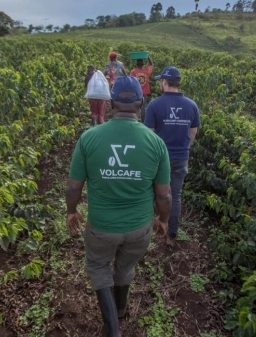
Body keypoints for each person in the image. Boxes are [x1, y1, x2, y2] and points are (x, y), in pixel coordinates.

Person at [66, 76, 172, 336]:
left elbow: (73, 187)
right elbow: (164, 196)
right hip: (138, 228)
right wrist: (163, 219)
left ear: (111, 103)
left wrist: (71, 210)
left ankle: (112, 329)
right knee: (125, 267)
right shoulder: (156, 143)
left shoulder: (89, 138)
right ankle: (121, 309)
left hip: (101, 226)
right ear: (142, 103)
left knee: (99, 267)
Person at [144, 66, 200, 247]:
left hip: (159, 159)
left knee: (153, 193)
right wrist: (183, 148)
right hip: (181, 158)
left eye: (161, 81)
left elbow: (149, 135)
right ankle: (171, 235)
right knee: (174, 196)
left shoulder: (154, 105)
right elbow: (193, 133)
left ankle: (152, 229)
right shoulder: (191, 105)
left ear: (165, 82)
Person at [129, 56, 153, 122]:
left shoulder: (133, 72)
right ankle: (143, 122)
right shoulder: (147, 71)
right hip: (144, 93)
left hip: (136, 92)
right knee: (143, 108)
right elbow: (151, 65)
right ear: (143, 64)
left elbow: (131, 82)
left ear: (136, 64)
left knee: (135, 107)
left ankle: (134, 120)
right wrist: (148, 57)